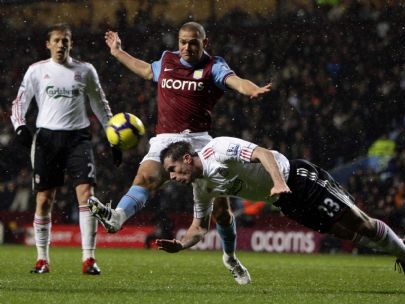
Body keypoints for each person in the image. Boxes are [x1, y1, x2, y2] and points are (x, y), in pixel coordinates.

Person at [88, 21, 270, 284]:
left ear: (204, 43)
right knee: (145, 178)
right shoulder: (167, 60)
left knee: (220, 211)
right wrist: (117, 52)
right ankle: (117, 217)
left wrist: (250, 89)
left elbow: (236, 81)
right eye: (183, 41)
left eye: (193, 42)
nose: (187, 46)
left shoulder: (213, 66)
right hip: (166, 138)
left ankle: (230, 257)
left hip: (199, 142)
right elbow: (145, 70)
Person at [157, 136, 405, 294]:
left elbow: (263, 154)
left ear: (186, 159)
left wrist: (279, 181)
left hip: (298, 178)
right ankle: (401, 250)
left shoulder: (218, 149)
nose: (171, 177)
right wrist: (181, 245)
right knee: (345, 233)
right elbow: (198, 227)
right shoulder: (201, 187)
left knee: (360, 223)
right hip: (286, 203)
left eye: (172, 170)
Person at [10, 23, 121, 275]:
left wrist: (113, 137)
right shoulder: (36, 71)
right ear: (48, 44)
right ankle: (42, 259)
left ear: (71, 44)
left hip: (78, 139)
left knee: (87, 196)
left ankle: (89, 259)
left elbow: (101, 106)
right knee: (44, 199)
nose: (61, 45)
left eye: (65, 41)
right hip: (47, 139)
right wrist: (19, 127)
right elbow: (19, 103)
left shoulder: (85, 70)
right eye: (57, 40)